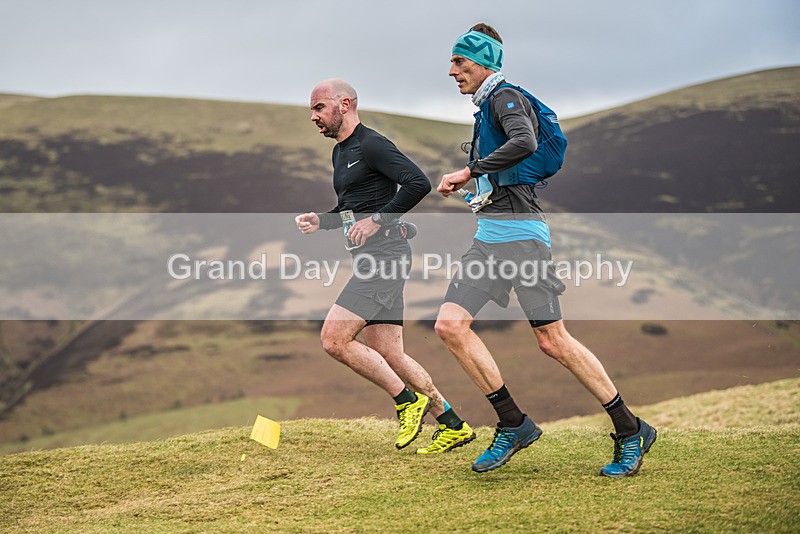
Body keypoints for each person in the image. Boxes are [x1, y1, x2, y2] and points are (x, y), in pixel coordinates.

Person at [435, 24, 657, 476]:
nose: (452, 70)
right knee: (450, 326)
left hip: (522, 236)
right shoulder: (485, 108)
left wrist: (468, 171)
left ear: (486, 64)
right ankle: (513, 424)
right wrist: (476, 180)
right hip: (491, 237)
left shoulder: (504, 97)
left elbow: (526, 142)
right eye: (452, 62)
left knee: (553, 341)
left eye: (461, 62)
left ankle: (630, 429)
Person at [295, 78, 475, 454]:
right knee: (390, 354)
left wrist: (378, 219)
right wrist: (323, 221)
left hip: (385, 259)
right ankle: (452, 424)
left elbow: (417, 183)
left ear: (344, 104)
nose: (313, 116)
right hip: (374, 259)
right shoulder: (340, 152)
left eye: (319, 108)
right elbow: (351, 210)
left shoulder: (372, 144)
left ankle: (407, 402)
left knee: (334, 339)